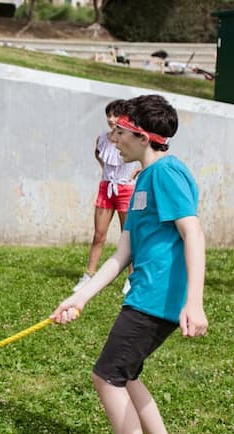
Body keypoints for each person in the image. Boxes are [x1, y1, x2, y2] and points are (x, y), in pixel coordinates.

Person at [51, 94, 208, 434]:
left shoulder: (167, 174)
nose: (113, 139)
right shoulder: (141, 181)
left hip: (157, 301)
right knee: (127, 374)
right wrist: (79, 297)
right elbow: (123, 254)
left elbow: (193, 233)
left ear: (140, 135)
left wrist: (195, 302)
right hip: (145, 295)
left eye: (119, 132)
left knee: (107, 377)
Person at [73, 99, 139, 294]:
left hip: (126, 190)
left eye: (115, 115)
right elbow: (98, 154)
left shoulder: (131, 138)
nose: (111, 119)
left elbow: (146, 154)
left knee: (128, 236)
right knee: (99, 234)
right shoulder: (102, 138)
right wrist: (107, 172)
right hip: (106, 188)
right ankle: (89, 274)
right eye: (109, 115)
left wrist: (136, 171)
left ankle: (132, 278)